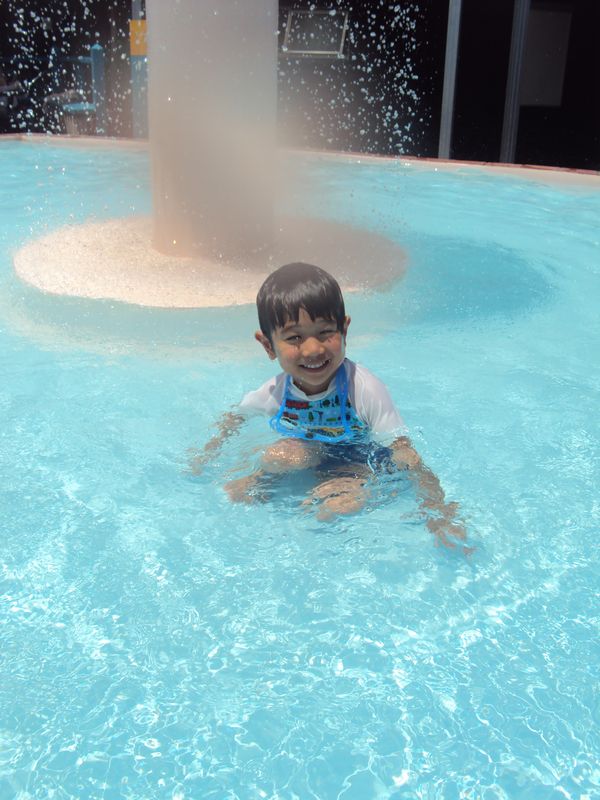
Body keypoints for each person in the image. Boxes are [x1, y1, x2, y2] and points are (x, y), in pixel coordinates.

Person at [192, 262, 466, 547]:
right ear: (268, 346)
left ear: (344, 330)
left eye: (325, 332)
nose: (313, 349)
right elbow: (236, 417)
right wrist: (205, 455)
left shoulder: (363, 389)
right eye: (294, 337)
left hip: (357, 461)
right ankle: (265, 480)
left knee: (338, 508)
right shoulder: (276, 391)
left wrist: (439, 512)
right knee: (277, 456)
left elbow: (403, 451)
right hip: (309, 450)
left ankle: (341, 492)